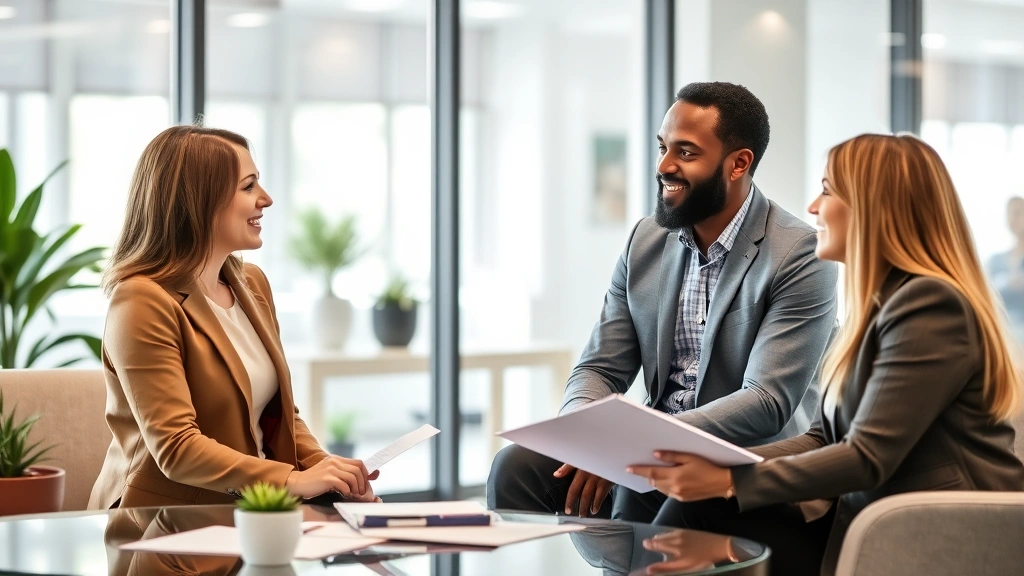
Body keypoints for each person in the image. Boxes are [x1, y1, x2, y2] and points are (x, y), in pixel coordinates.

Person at [628, 133, 1024, 576]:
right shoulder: (881, 306)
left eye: (829, 190)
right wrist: (720, 462)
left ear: (877, 208)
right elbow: (823, 437)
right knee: (692, 506)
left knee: (699, 509)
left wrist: (728, 480)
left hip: (939, 536)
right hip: (873, 523)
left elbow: (866, 457)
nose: (814, 207)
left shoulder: (931, 304)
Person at [487, 82, 839, 523]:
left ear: (738, 163)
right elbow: (598, 368)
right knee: (516, 468)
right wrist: (587, 434)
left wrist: (634, 443)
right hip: (649, 450)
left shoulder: (801, 254)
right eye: (662, 147)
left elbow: (766, 401)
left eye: (686, 153)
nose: (664, 166)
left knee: (654, 489)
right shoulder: (645, 241)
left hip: (742, 463)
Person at [88, 125, 377, 509]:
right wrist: (293, 480)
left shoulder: (252, 283)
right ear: (199, 200)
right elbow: (176, 448)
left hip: (253, 512)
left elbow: (280, 416)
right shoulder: (141, 300)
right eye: (249, 186)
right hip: (162, 524)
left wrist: (329, 472)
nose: (267, 199)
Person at [986, 196, 1024, 345]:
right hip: (1002, 336)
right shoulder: (996, 261)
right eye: (1009, 214)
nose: (1012, 219)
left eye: (1018, 213)